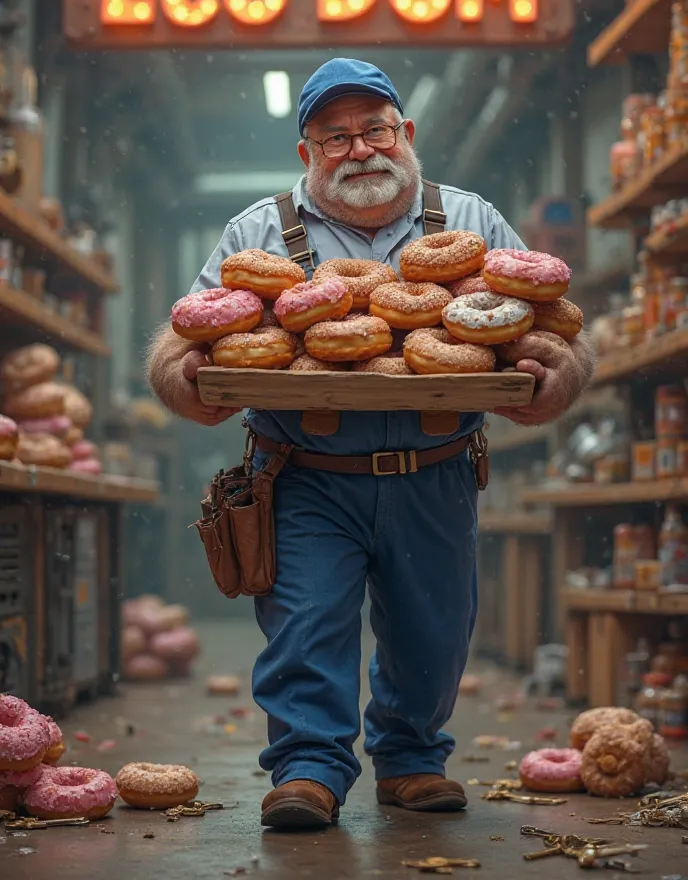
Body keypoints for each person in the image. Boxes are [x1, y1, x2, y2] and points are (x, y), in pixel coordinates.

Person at [147, 58, 595, 831]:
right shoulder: (258, 232)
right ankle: (309, 769)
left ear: (407, 134)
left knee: (435, 628)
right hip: (303, 474)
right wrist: (179, 375)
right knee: (305, 622)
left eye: (377, 129)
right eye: (335, 137)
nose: (361, 150)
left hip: (437, 470)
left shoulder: (470, 221)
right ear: (306, 154)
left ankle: (413, 759)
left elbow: (556, 326)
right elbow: (184, 332)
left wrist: (560, 375)